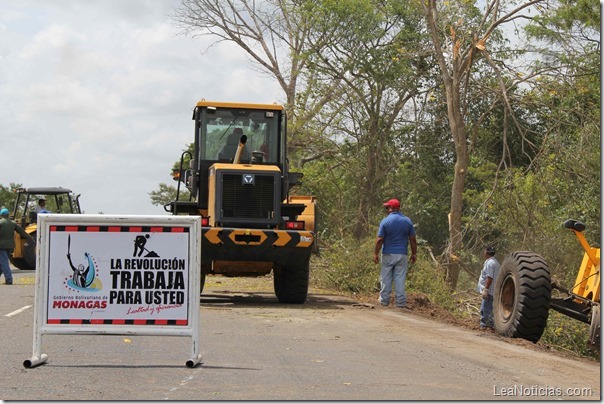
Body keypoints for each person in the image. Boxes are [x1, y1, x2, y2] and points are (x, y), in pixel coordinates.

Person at [373, 198, 417, 308]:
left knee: (386, 277)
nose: (387, 209)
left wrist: (375, 253)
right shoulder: (407, 221)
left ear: (392, 208)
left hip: (388, 253)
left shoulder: (385, 221)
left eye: (387, 207)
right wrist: (414, 253)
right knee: (400, 279)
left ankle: (384, 301)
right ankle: (400, 303)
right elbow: (412, 239)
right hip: (402, 254)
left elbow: (379, 239)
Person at [0, 208, 35, 285]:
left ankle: (9, 280)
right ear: (8, 215)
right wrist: (30, 238)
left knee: (4, 262)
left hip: (1, 246)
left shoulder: (1, 222)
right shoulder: (13, 223)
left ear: (1, 215)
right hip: (10, 246)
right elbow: (22, 232)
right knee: (2, 262)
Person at [477, 245, 500, 330]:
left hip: (489, 290)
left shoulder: (490, 263)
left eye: (484, 251)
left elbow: (490, 277)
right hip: (493, 290)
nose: (484, 252)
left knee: (485, 308)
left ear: (487, 252)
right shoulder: (495, 262)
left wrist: (485, 289)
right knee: (489, 309)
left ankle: (485, 325)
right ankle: (490, 325)